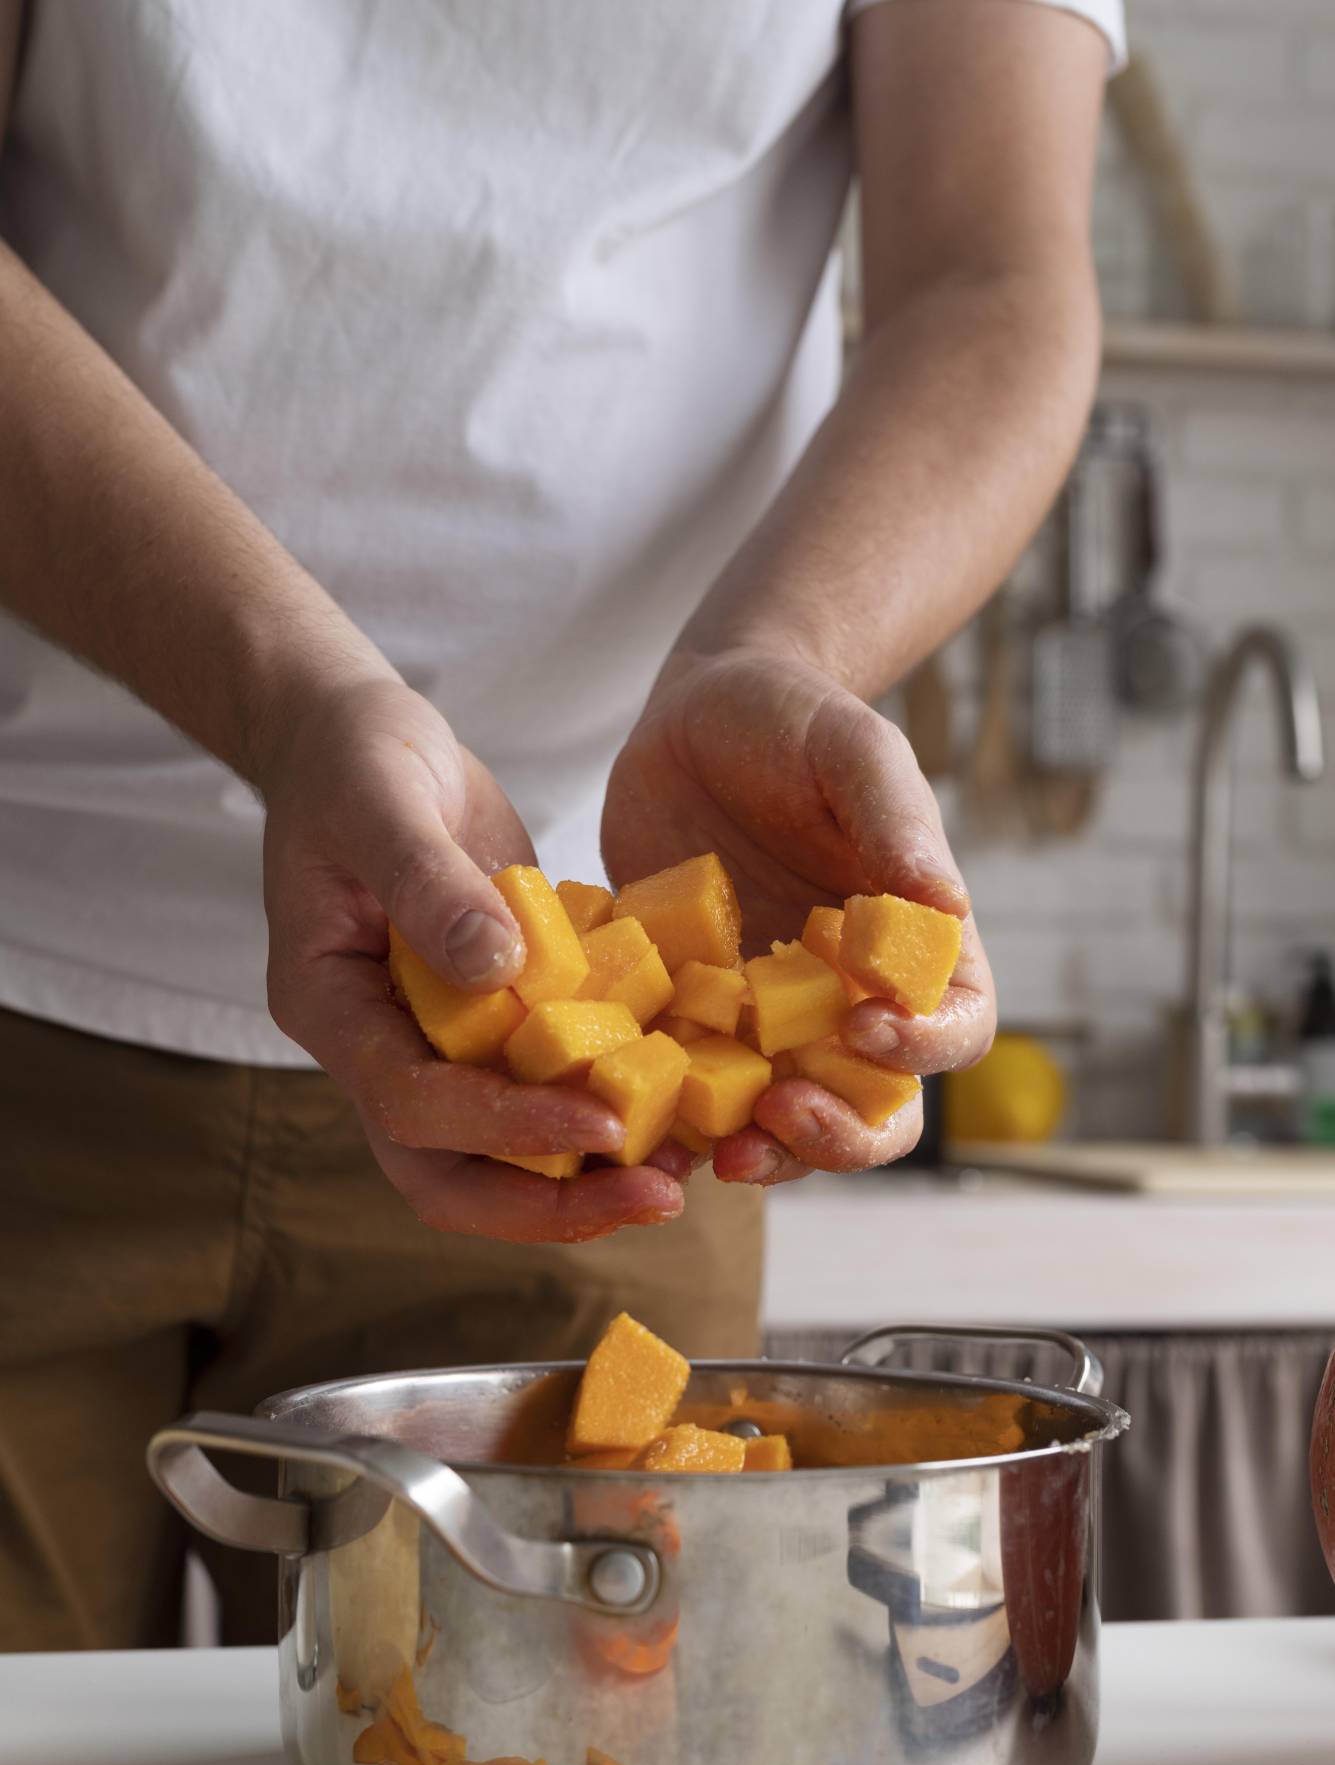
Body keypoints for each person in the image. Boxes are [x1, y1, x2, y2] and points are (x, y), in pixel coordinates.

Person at [0, 0, 1124, 1650]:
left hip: (594, 1067)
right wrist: (299, 697)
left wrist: (774, 657)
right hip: (23, 948)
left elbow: (996, 285)